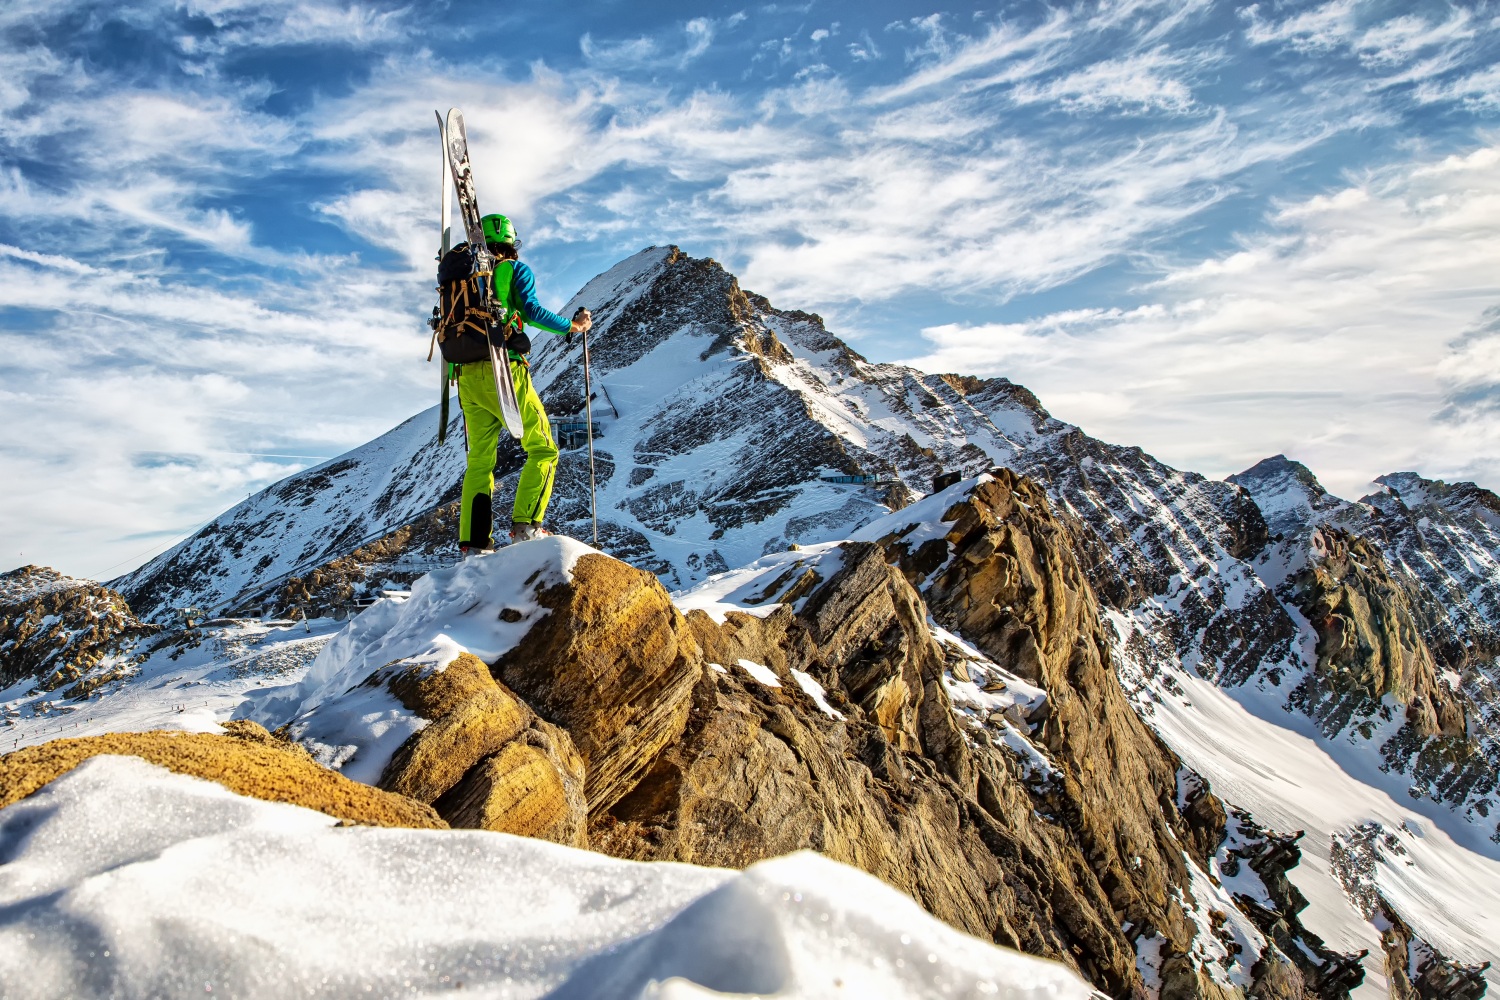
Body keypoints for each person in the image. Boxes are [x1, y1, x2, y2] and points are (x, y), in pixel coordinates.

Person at [456, 213, 591, 552]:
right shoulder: (515, 270)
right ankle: (526, 527)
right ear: (511, 244)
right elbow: (530, 310)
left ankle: (474, 545)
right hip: (504, 368)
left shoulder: (460, 279)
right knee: (544, 448)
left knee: (480, 462)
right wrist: (571, 327)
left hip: (466, 376)